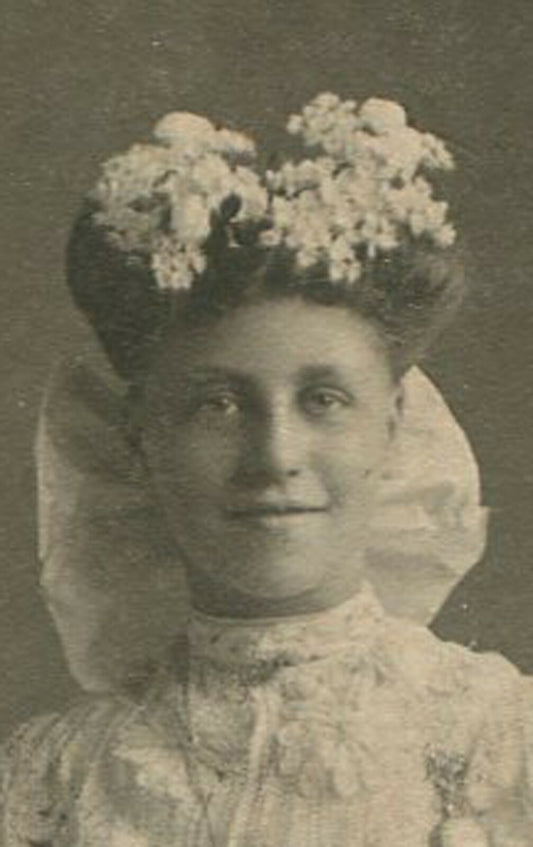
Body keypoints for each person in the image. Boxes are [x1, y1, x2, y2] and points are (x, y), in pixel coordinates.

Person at [1, 93, 531, 846]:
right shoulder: (46, 784)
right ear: (139, 437)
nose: (275, 456)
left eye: (323, 399)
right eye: (217, 404)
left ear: (390, 427)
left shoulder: (503, 743)